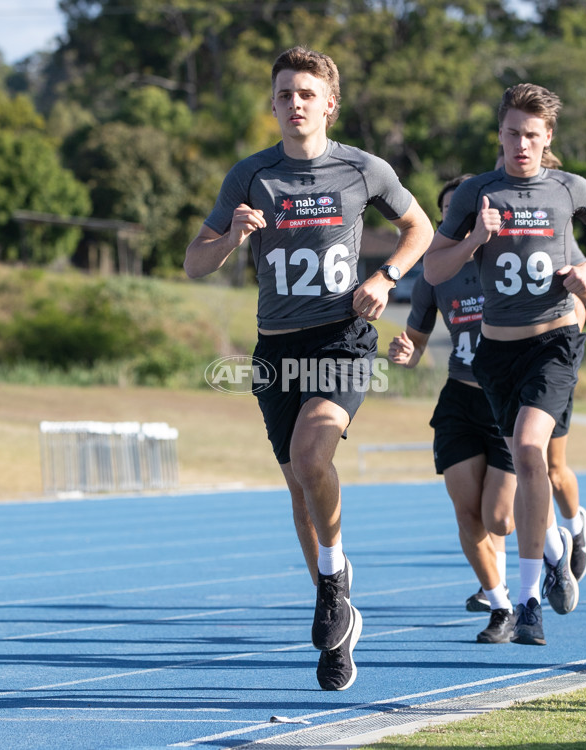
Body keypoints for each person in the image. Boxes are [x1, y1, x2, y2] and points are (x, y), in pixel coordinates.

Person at [184, 46, 434, 689]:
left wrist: (386, 276)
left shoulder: (363, 168)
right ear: (272, 105)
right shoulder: (250, 175)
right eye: (283, 94)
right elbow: (194, 263)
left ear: (329, 103)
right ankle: (335, 605)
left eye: (305, 93)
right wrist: (231, 238)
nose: (294, 104)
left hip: (344, 340)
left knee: (313, 456)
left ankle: (334, 580)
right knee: (300, 483)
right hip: (276, 350)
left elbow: (420, 228)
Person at [424, 83, 586, 646]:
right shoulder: (477, 191)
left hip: (554, 342)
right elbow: (431, 270)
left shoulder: (571, 189)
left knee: (529, 449)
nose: (521, 143)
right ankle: (552, 559)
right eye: (511, 133)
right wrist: (474, 237)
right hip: (493, 353)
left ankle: (526, 603)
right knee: (521, 468)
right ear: (498, 135)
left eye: (531, 134)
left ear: (548, 138)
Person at [389, 175, 518, 644]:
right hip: (459, 399)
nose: (456, 222)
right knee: (469, 516)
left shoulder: (509, 256)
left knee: (500, 519)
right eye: (448, 215)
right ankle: (501, 605)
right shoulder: (433, 277)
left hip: (508, 399)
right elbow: (417, 343)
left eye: (464, 214)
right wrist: (405, 352)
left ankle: (552, 542)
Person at [494, 146, 586, 584]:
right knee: (526, 460)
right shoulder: (487, 221)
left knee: (551, 465)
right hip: (503, 359)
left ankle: (575, 528)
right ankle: (550, 551)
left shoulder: (558, 226)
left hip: (554, 357)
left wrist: (582, 284)